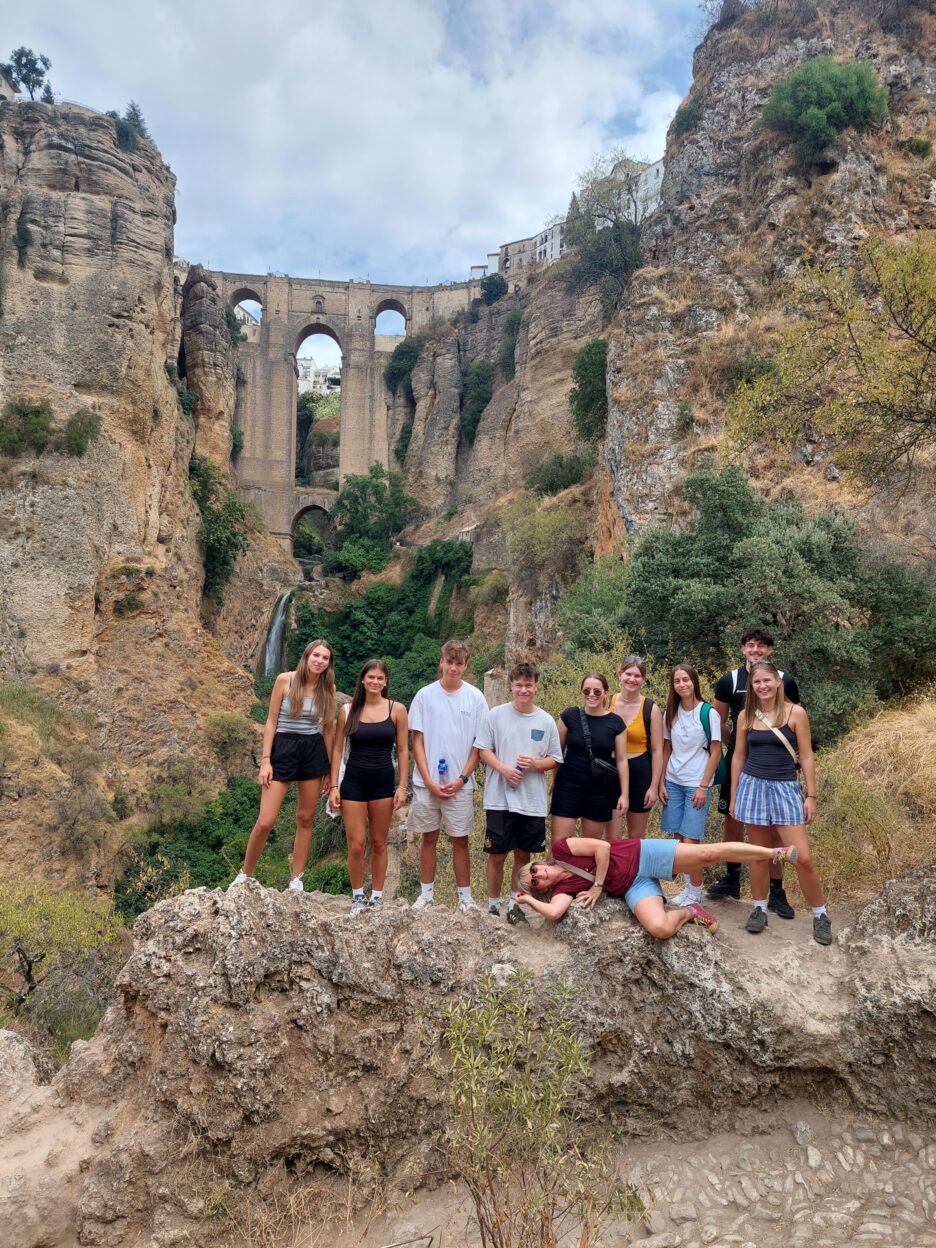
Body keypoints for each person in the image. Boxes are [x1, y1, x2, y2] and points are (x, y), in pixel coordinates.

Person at [516, 835, 797, 938]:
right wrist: (527, 901)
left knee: (707, 854)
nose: (539, 875)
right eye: (535, 883)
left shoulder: (562, 849)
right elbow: (554, 912)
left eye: (534, 870)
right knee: (660, 929)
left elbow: (602, 848)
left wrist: (597, 886)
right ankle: (691, 911)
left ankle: (774, 853)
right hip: (632, 886)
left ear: (538, 863)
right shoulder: (562, 892)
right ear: (541, 889)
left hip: (641, 853)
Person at [730, 660, 831, 945]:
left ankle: (820, 914)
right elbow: (739, 756)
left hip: (786, 788)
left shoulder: (796, 713)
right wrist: (734, 794)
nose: (762, 686)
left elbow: (807, 756)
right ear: (751, 686)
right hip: (752, 787)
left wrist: (811, 796)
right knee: (759, 854)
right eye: (757, 682)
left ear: (777, 682)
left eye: (767, 681)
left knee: (803, 857)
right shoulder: (745, 716)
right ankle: (759, 908)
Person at [708, 627, 801, 916]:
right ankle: (732, 879)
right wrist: (737, 746)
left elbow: (795, 722)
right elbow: (716, 720)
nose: (756, 650)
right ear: (742, 649)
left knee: (773, 827)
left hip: (774, 764)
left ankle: (777, 892)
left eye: (761, 645)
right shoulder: (730, 680)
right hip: (740, 761)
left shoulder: (784, 680)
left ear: (770, 650)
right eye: (750, 645)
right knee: (733, 818)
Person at [230, 639, 335, 891]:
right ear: (306, 656)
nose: (319, 661)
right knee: (265, 821)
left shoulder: (328, 688)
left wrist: (331, 770)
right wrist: (265, 761)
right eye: (316, 655)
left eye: (325, 658)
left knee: (306, 818)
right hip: (283, 747)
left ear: (329, 663)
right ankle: (245, 875)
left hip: (312, 749)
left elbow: (328, 729)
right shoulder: (285, 680)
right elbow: (271, 722)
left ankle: (296, 879)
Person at [476, 661, 564, 924]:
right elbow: (483, 750)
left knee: (523, 855)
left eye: (528, 685)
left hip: (531, 800)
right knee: (496, 854)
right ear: (511, 687)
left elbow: (555, 758)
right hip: (499, 799)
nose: (524, 690)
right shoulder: (496, 715)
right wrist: (504, 769)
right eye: (519, 685)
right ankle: (493, 906)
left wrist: (535, 765)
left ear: (536, 687)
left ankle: (515, 904)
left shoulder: (546, 720)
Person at [408, 640, 489, 913]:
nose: (453, 668)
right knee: (428, 838)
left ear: (466, 666)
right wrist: (428, 780)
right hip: (426, 783)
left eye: (459, 663)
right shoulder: (424, 696)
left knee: (460, 840)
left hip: (460, 784)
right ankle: (426, 896)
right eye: (449, 662)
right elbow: (417, 741)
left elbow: (479, 745)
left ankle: (465, 898)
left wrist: (463, 778)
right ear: (441, 662)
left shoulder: (475, 698)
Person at [327, 660, 409, 915]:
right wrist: (333, 786)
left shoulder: (397, 710)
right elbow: (338, 749)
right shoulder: (348, 710)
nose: (375, 682)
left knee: (379, 842)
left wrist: (402, 786)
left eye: (380, 678)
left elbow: (403, 749)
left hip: (383, 782)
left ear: (385, 682)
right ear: (363, 680)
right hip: (353, 782)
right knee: (356, 844)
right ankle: (357, 896)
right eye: (371, 677)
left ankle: (377, 896)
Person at [660, 664, 722, 908]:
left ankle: (695, 894)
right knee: (678, 839)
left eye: (686, 679)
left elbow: (716, 751)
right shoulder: (670, 713)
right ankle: (687, 889)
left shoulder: (708, 713)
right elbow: (667, 747)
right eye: (677, 681)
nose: (682, 684)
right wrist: (660, 782)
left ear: (694, 681)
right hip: (673, 781)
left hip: (696, 783)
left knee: (691, 841)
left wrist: (703, 786)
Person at [550, 673, 628, 842]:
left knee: (590, 846)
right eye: (587, 691)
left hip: (600, 790)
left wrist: (624, 794)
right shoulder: (569, 716)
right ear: (582, 692)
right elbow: (557, 754)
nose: (591, 695)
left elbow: (622, 760)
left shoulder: (616, 723)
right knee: (559, 844)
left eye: (597, 691)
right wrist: (555, 781)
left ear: (605, 693)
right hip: (568, 786)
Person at [609, 655, 664, 839]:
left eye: (637, 676)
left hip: (640, 771)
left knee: (636, 835)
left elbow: (657, 750)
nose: (632, 679)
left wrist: (654, 786)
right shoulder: (607, 702)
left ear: (644, 680)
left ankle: (635, 861)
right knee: (612, 836)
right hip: (611, 771)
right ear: (620, 674)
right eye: (628, 674)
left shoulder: (650, 709)